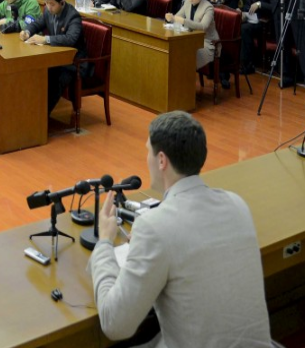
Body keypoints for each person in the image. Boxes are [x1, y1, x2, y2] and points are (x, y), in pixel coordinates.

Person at [90, 111, 272, 347]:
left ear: (162, 160)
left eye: (148, 151)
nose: (146, 158)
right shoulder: (237, 203)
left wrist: (104, 243)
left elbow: (114, 324)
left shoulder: (154, 227)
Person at [20, 0, 89, 115]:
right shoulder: (48, 11)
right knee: (36, 72)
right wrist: (27, 32)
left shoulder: (73, 17)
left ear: (62, 2)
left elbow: (70, 39)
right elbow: (37, 23)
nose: (48, 7)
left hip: (74, 64)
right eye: (46, 3)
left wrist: (46, 39)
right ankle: (30, 111)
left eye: (52, 4)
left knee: (54, 79)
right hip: (55, 58)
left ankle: (42, 117)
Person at [236, 0, 278, 75]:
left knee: (244, 29)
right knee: (234, 25)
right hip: (246, 17)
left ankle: (247, 65)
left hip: (262, 22)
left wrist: (260, 4)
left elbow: (274, 7)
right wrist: (237, 9)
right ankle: (233, 61)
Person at [166, 0, 219, 71]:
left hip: (206, 43)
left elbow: (203, 26)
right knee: (172, 50)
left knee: (185, 55)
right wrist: (171, 18)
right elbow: (177, 17)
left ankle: (185, 82)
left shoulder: (208, 7)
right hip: (190, 38)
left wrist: (184, 21)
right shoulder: (187, 2)